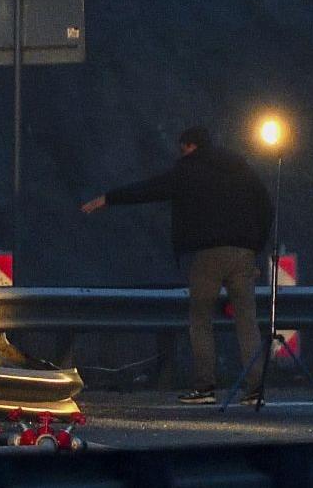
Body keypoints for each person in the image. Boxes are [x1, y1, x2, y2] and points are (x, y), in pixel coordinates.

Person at [81, 126, 272, 405]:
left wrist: (110, 198)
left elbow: (150, 189)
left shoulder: (188, 171)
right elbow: (265, 206)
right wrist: (256, 248)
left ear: (189, 146)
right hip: (243, 253)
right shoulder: (242, 169)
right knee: (247, 322)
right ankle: (255, 390)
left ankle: (205, 387)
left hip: (207, 254)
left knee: (200, 319)